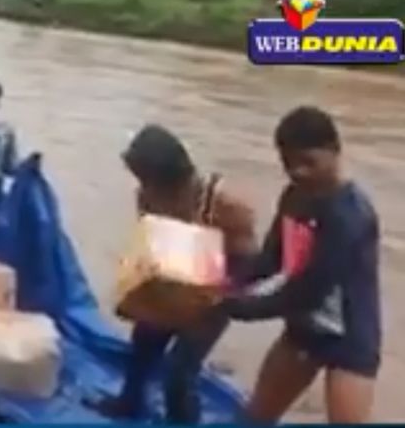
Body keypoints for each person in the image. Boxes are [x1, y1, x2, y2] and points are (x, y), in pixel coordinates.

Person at [225, 106, 381, 423]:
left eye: (309, 162)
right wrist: (221, 281)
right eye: (288, 163)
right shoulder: (293, 198)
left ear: (335, 150)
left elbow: (308, 291)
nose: (298, 172)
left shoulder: (350, 215)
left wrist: (239, 308)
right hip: (304, 331)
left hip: (350, 340)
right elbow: (271, 261)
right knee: (255, 418)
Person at [92, 124, 256, 424]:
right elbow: (148, 244)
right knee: (142, 344)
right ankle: (128, 403)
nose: (142, 186)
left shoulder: (223, 203)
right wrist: (135, 293)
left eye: (146, 178)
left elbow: (249, 262)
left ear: (168, 176)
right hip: (169, 283)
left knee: (180, 373)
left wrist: (218, 296)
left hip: (214, 294)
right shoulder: (147, 196)